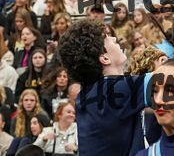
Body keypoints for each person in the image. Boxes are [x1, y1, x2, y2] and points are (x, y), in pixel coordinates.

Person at [57, 19, 155, 156]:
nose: (114, 38)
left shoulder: (88, 94)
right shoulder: (115, 91)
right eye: (107, 38)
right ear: (105, 58)